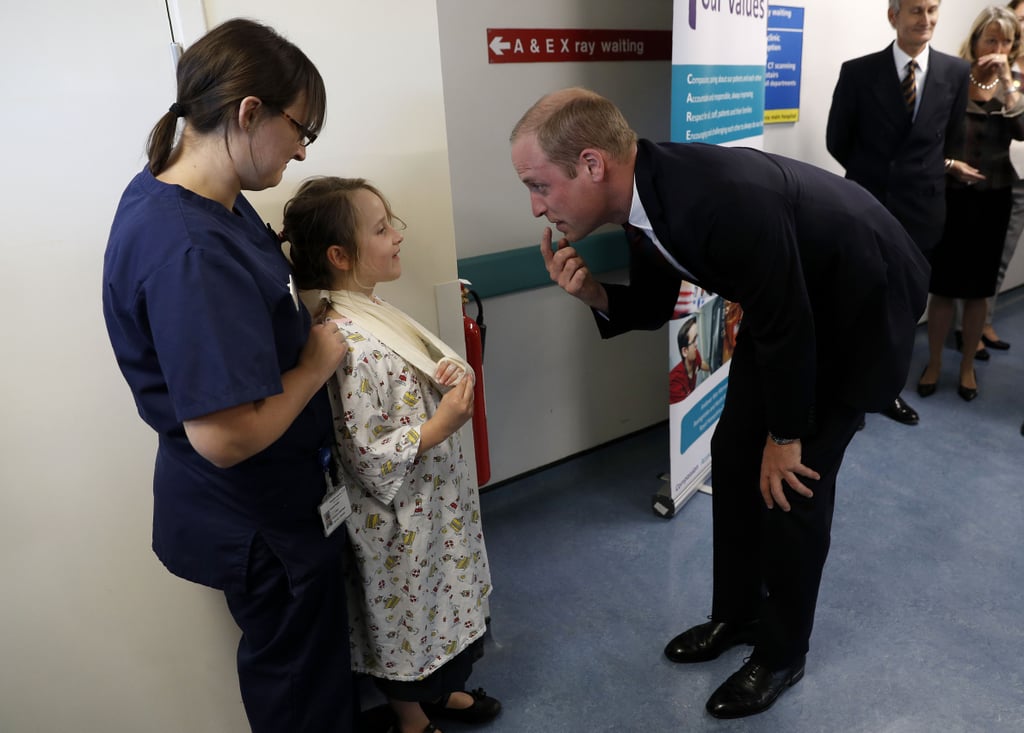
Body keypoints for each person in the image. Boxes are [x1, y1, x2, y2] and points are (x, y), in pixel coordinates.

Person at [510, 88, 929, 719]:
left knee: (794, 483)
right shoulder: (641, 197)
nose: (537, 206)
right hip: (789, 302)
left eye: (538, 186)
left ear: (592, 165)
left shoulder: (718, 199)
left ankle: (784, 652)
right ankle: (736, 615)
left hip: (856, 305)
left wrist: (787, 437)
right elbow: (656, 306)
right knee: (734, 455)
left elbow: (791, 323)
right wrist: (596, 293)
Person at [101, 19, 357, 732]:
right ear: (250, 112)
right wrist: (314, 364)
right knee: (299, 689)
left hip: (278, 497)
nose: (303, 150)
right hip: (252, 510)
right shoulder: (188, 249)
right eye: (301, 129)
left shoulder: (202, 199)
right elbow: (225, 437)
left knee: (313, 664)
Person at [282, 177, 500, 733]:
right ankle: (410, 715)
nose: (397, 235)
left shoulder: (373, 312)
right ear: (339, 255)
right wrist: (443, 422)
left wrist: (446, 375)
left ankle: (442, 692)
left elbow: (409, 375)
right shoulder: (341, 339)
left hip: (434, 501)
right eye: (381, 228)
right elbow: (367, 453)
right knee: (409, 618)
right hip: (400, 516)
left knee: (443, 602)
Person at [826, 0, 970, 426]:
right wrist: (875, 178)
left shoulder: (955, 72)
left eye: (932, 10)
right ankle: (846, 389)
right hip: (868, 206)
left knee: (906, 307)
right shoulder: (858, 71)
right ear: (894, 16)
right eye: (915, 11)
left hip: (923, 211)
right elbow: (838, 140)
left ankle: (886, 391)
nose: (925, 20)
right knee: (860, 299)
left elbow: (953, 141)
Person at [917, 6, 1024, 401]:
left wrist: (1009, 79)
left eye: (1006, 41)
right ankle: (933, 363)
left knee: (979, 290)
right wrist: (949, 165)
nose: (997, 47)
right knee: (943, 288)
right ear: (976, 39)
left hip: (994, 197)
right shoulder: (952, 77)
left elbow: (1023, 129)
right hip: (950, 196)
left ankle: (966, 367)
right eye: (991, 38)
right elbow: (927, 135)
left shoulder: (1012, 87)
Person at [669, 316, 707, 404]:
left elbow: (701, 364)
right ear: (685, 351)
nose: (697, 344)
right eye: (693, 341)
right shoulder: (674, 382)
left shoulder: (695, 354)